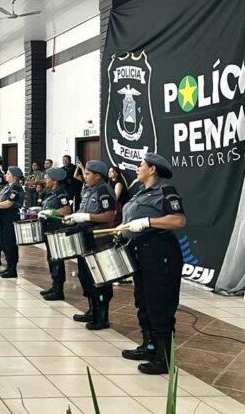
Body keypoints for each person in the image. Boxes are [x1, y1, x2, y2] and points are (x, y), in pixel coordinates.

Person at [116, 153, 186, 375]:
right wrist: (123, 230)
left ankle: (163, 358)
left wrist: (147, 221)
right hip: (141, 252)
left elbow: (178, 220)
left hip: (160, 252)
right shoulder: (140, 192)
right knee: (144, 302)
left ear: (152, 169)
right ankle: (149, 347)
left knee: (159, 304)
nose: (138, 169)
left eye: (141, 165)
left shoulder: (166, 190)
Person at [62, 160, 116, 330]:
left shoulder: (104, 191)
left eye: (87, 174)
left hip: (98, 238)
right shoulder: (89, 190)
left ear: (97, 176)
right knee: (85, 275)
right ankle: (92, 310)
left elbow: (109, 215)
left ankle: (102, 316)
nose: (84, 176)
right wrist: (74, 217)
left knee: (99, 277)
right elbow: (83, 209)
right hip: (85, 237)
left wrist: (86, 217)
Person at [37, 168, 72, 301]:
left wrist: (51, 212)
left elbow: (66, 210)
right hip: (49, 228)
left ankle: (59, 289)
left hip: (56, 229)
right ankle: (54, 285)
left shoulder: (61, 193)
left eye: (47, 178)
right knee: (51, 258)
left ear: (55, 180)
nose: (45, 180)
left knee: (57, 259)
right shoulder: (50, 192)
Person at [0, 167, 25, 278]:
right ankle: (8, 267)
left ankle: (12, 269)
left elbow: (9, 203)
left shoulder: (16, 187)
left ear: (14, 176)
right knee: (4, 242)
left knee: (10, 242)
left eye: (8, 174)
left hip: (10, 216)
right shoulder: (8, 186)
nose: (5, 175)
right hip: (3, 216)